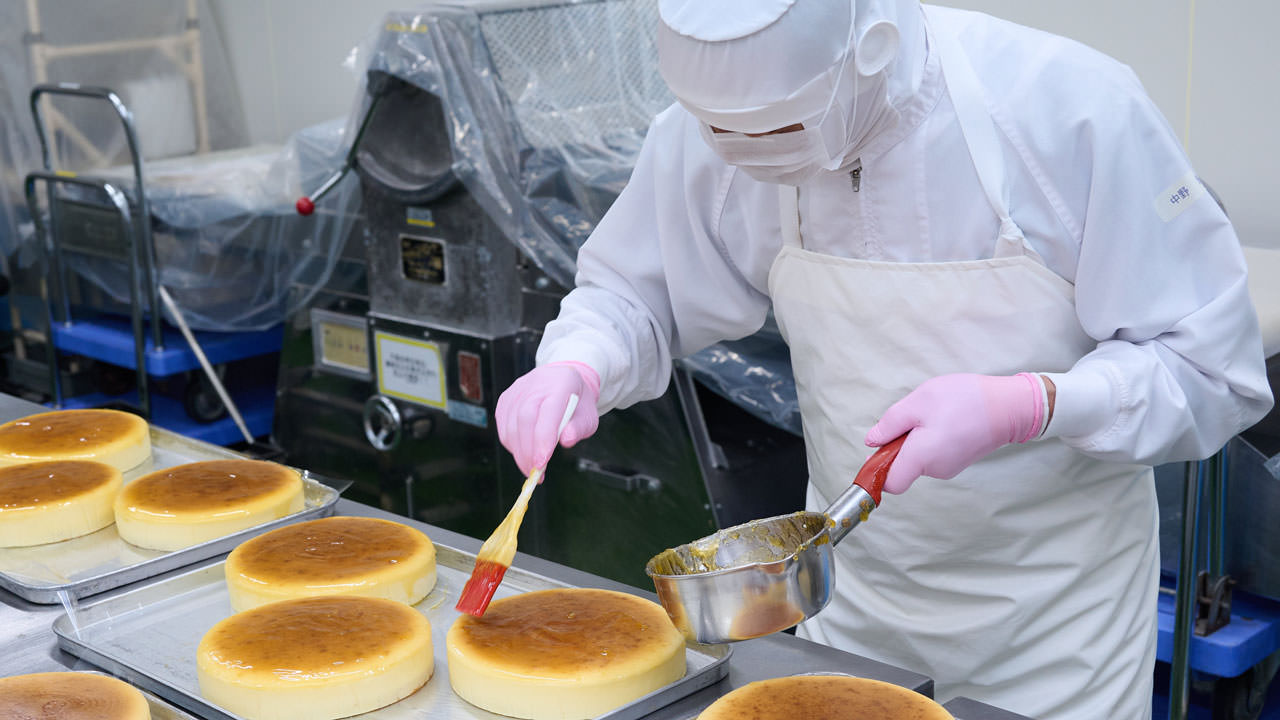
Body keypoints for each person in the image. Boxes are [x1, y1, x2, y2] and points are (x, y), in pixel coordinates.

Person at [494, 1, 1274, 717]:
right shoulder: (728, 122)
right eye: (724, 134)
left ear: (872, 50)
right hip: (853, 608)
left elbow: (1210, 369)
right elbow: (638, 291)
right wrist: (581, 360)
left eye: (782, 132)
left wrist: (1035, 404)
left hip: (1056, 634)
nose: (749, 156)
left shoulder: (1067, 110)